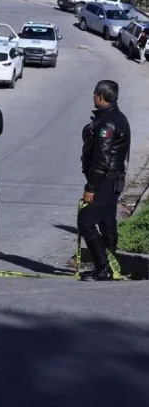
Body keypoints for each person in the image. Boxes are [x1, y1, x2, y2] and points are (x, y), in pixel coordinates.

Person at [78, 80, 131, 281]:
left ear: (101, 96)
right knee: (107, 223)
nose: (93, 97)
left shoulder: (108, 123)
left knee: (86, 222)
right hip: (113, 180)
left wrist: (91, 187)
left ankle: (103, 268)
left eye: (94, 94)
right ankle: (110, 267)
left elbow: (102, 158)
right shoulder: (118, 117)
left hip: (105, 181)